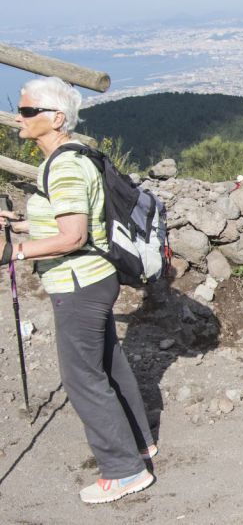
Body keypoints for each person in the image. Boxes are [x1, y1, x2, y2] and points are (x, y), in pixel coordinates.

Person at [0, 77, 156, 504]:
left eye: (29, 111)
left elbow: (72, 236)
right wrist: (19, 224)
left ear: (56, 118)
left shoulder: (63, 165)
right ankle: (141, 442)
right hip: (95, 276)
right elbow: (69, 219)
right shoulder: (73, 158)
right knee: (108, 361)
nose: (20, 115)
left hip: (77, 282)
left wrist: (15, 252)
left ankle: (124, 471)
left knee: (82, 377)